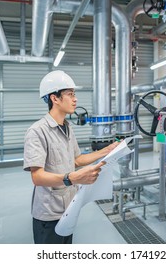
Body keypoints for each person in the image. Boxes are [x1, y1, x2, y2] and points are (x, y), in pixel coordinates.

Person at [23, 70, 119, 244]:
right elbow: (37, 177)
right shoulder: (37, 131)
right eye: (70, 94)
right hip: (49, 213)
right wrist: (72, 178)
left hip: (69, 208)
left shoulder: (67, 127)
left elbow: (76, 159)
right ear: (55, 98)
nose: (75, 99)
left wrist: (107, 150)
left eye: (75, 94)